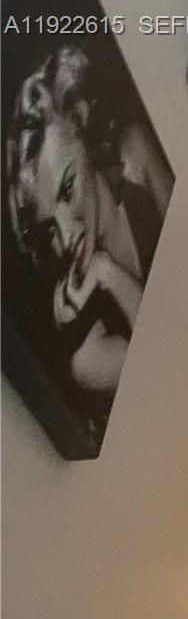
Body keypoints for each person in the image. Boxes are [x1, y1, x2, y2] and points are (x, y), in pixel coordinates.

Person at [4, 44, 167, 436]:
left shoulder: (136, 155)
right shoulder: (82, 350)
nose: (65, 233)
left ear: (79, 125)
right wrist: (108, 274)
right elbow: (168, 359)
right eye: (47, 226)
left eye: (67, 188)